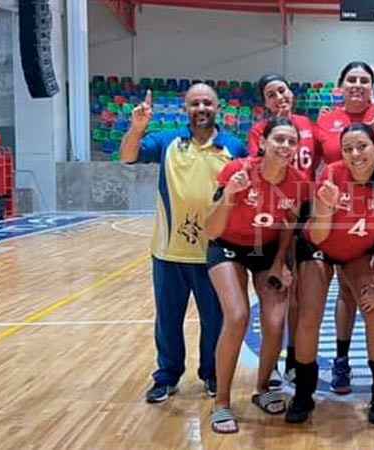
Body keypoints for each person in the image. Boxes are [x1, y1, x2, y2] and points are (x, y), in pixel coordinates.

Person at [119, 84, 247, 403]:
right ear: (184, 108)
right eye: (194, 103)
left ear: (218, 108)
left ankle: (213, 374)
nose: (201, 108)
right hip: (168, 251)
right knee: (168, 320)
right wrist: (136, 128)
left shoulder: (234, 146)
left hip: (215, 253)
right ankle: (167, 376)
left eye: (207, 102)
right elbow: (128, 155)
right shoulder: (167, 141)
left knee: (215, 321)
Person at [285, 123, 374, 425]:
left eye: (362, 146)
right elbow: (319, 236)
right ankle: (304, 392)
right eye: (348, 148)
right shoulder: (333, 173)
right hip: (318, 248)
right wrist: (325, 209)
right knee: (310, 314)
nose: (355, 154)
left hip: (357, 253)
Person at [205, 117, 309, 433]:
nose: (286, 146)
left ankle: (262, 388)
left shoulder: (299, 182)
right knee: (236, 316)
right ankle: (221, 402)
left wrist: (280, 262)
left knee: (276, 322)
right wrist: (229, 196)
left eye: (292, 141)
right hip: (227, 246)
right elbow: (210, 229)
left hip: (267, 250)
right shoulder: (236, 170)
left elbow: (289, 224)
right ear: (262, 143)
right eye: (279, 139)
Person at [316, 61, 374, 395]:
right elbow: (314, 162)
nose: (357, 85)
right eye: (351, 79)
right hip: (339, 210)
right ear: (340, 85)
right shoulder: (326, 119)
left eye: (364, 80)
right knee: (345, 292)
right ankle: (341, 360)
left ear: (372, 86)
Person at [247, 74, 320, 388]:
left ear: (291, 93)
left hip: (304, 208)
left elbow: (317, 164)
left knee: (301, 294)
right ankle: (272, 364)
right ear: (265, 102)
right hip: (275, 209)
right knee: (277, 292)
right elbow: (258, 167)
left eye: (282, 90)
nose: (279, 97)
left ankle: (293, 358)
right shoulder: (258, 131)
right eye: (271, 94)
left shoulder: (309, 125)